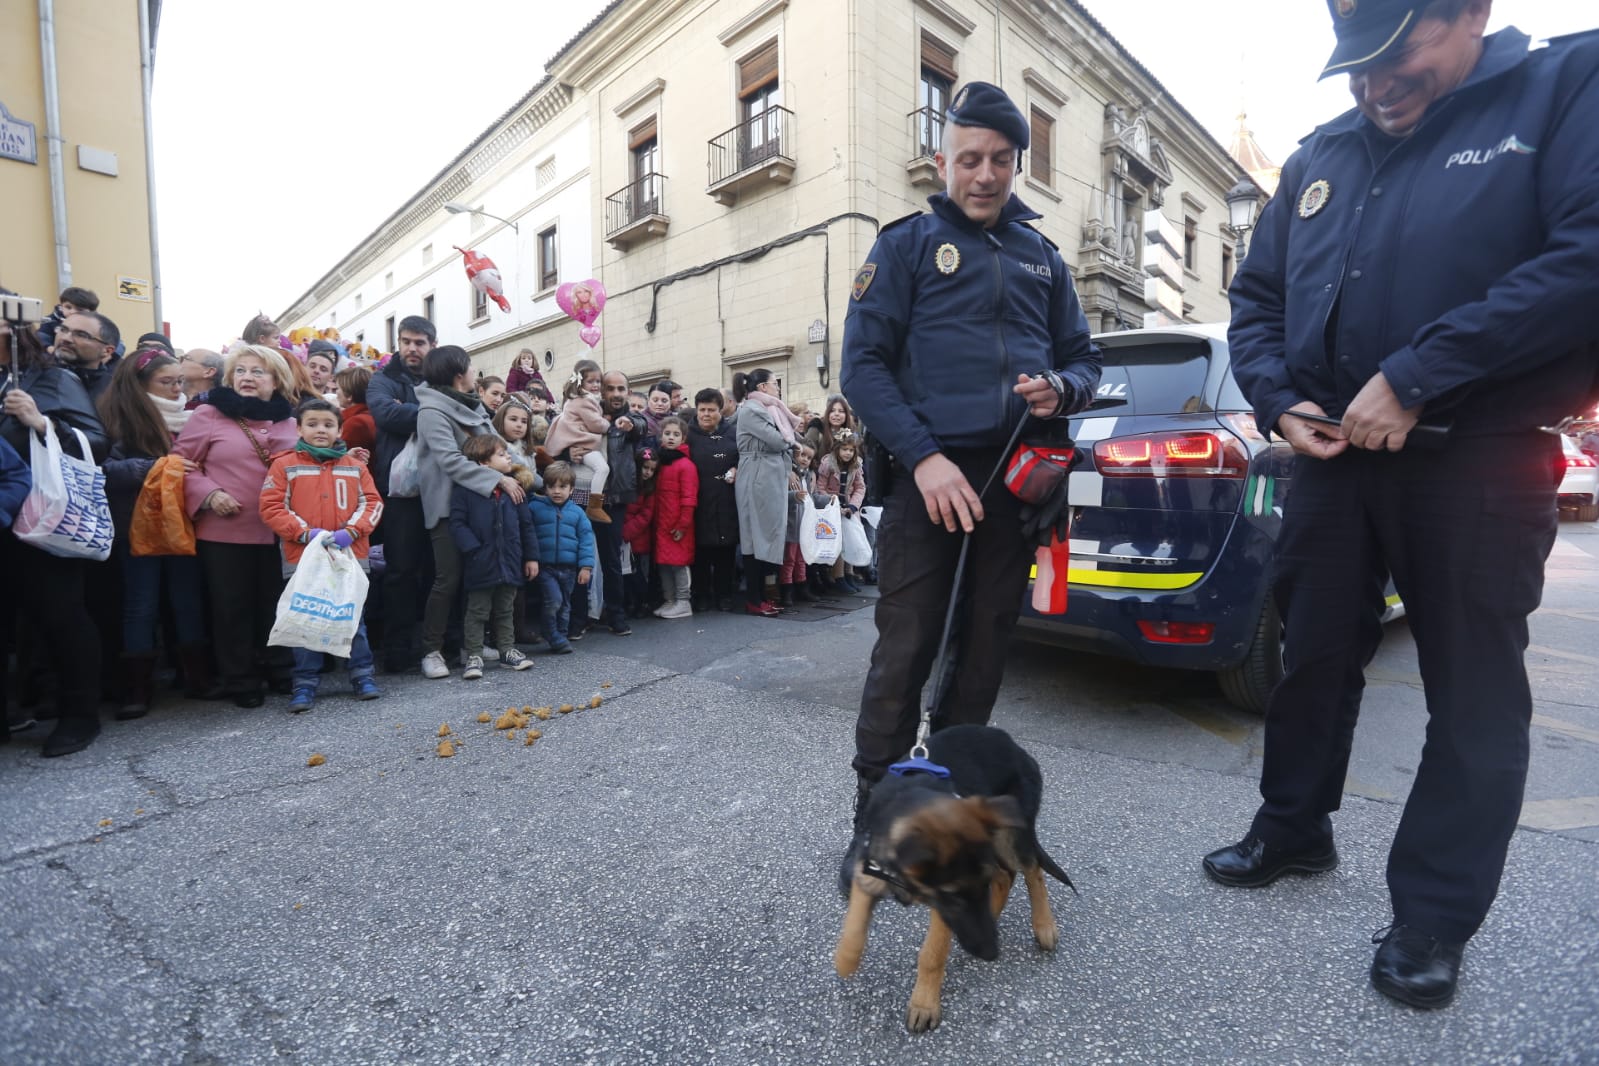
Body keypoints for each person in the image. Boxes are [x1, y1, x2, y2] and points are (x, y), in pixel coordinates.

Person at [1204, 0, 1599, 1011]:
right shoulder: (1320, 153)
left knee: (1472, 695)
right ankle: (1293, 829)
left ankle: (1431, 915)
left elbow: (1584, 258)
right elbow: (1257, 302)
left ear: (1470, 12)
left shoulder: (1561, 88)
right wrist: (1279, 398)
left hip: (1479, 455)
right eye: (1357, 64)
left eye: (1402, 53)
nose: (1377, 84)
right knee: (1312, 654)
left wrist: (1420, 371)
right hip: (1334, 454)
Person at [839, 80, 1101, 829]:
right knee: (906, 647)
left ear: (1016, 164)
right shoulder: (904, 246)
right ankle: (876, 806)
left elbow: (1085, 362)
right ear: (941, 160)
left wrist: (1062, 388)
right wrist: (923, 457)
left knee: (984, 652)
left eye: (999, 160)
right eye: (969, 159)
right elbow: (862, 368)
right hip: (929, 479)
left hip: (1013, 484)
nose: (984, 174)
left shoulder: (1043, 259)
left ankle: (945, 794)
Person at [0, 301, 110, 756]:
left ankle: (80, 715)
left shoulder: (53, 378)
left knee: (61, 616)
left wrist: (41, 423)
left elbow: (97, 444)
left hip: (44, 518)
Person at [174, 344, 300, 707]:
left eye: (258, 372)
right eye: (241, 371)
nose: (247, 377)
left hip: (279, 531)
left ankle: (280, 668)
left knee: (276, 603)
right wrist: (210, 493)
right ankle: (241, 679)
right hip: (224, 529)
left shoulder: (289, 421)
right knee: (232, 608)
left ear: (275, 380)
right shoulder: (208, 415)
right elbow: (180, 464)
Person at [97, 348, 215, 717]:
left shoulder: (193, 415)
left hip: (184, 521)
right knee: (140, 605)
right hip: (138, 524)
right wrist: (158, 467)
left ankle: (196, 679)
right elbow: (102, 472)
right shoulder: (116, 416)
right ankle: (137, 690)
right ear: (139, 383)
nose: (176, 388)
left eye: (180, 380)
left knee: (187, 600)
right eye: (166, 382)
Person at [258, 399, 384, 713]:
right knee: (306, 619)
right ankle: (304, 682)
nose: (320, 430)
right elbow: (271, 507)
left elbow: (373, 504)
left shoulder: (355, 467)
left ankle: (362, 674)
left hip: (349, 554)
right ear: (299, 428)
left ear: (340, 430)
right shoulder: (284, 465)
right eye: (312, 424)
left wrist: (352, 531)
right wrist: (306, 534)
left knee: (353, 617)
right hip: (304, 557)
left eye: (328, 424)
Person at [414, 344, 522, 680]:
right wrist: (499, 479)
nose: (474, 373)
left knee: (478, 580)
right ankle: (431, 649)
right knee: (448, 579)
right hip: (450, 507)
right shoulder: (431, 411)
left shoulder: (473, 409)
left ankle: (468, 646)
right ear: (459, 375)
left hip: (485, 506)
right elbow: (450, 461)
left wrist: (515, 473)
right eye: (471, 368)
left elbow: (498, 449)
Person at [368, 316, 434, 673]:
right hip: (399, 492)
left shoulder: (441, 377)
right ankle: (397, 650)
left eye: (419, 342)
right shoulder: (383, 379)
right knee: (401, 572)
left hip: (439, 486)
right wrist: (435, 411)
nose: (412, 348)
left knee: (438, 570)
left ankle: (436, 644)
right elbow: (385, 413)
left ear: (431, 346)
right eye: (406, 341)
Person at [448, 434, 538, 679]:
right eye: (501, 454)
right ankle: (474, 654)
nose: (509, 456)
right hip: (481, 560)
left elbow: (526, 525)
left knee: (505, 608)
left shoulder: (513, 488)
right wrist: (473, 549)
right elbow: (457, 524)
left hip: (509, 559)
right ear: (483, 464)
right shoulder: (465, 491)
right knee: (477, 610)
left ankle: (507, 650)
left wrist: (530, 557)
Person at [733, 368, 797, 617]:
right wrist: (790, 442)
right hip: (758, 475)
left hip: (769, 474)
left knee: (768, 534)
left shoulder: (770, 408)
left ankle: (763, 595)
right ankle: (754, 598)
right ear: (762, 388)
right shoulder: (751, 410)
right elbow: (779, 440)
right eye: (774, 383)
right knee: (755, 536)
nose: (778, 388)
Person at [527, 461, 594, 654]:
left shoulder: (578, 513)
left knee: (565, 604)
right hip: (546, 567)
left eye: (562, 487)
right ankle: (552, 634)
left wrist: (586, 567)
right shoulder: (536, 508)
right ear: (545, 488)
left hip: (570, 569)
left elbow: (586, 541)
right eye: (552, 486)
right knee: (553, 600)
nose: (557, 491)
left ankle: (561, 635)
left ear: (572, 489)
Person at [686, 387, 739, 612]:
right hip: (700, 497)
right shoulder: (688, 434)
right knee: (701, 551)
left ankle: (725, 594)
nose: (706, 414)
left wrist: (736, 468)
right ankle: (702, 594)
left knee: (726, 550)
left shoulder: (733, 432)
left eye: (711, 410)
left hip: (727, 498)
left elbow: (742, 457)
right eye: (702, 410)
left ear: (721, 410)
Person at [545, 364, 612, 525]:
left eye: (598, 381)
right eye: (591, 381)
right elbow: (595, 424)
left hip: (578, 442)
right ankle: (595, 505)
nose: (596, 385)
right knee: (603, 468)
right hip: (581, 443)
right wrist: (607, 424)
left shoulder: (576, 399)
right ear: (580, 383)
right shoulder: (584, 401)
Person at [651, 416, 698, 619]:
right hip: (662, 523)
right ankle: (669, 600)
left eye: (676, 434)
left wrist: (683, 523)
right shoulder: (660, 461)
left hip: (677, 525)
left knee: (678, 564)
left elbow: (689, 498)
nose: (671, 437)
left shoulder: (686, 466)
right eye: (667, 433)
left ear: (684, 438)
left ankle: (683, 601)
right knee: (664, 563)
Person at [815, 429, 866, 594]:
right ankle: (838, 576)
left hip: (850, 508)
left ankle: (848, 574)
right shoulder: (828, 464)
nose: (848, 453)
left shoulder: (856, 465)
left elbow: (860, 488)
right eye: (844, 449)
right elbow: (820, 488)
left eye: (851, 450)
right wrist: (834, 504)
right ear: (837, 449)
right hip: (833, 507)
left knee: (851, 539)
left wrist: (852, 506)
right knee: (839, 541)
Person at [779, 441, 817, 607]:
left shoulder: (808, 475)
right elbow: (781, 495)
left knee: (802, 559)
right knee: (789, 559)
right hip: (791, 524)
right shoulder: (788, 474)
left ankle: (801, 586)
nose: (805, 459)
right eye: (802, 455)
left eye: (809, 457)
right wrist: (794, 496)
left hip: (804, 525)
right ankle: (786, 590)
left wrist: (828, 499)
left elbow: (810, 497)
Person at [621, 448, 658, 618]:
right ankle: (630, 602)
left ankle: (642, 602)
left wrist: (627, 531)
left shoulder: (649, 489)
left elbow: (645, 516)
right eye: (645, 468)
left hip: (638, 540)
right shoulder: (627, 483)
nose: (648, 472)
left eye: (651, 469)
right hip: (624, 538)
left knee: (638, 575)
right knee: (626, 575)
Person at [54, 310, 122, 402]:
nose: (65, 338)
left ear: (107, 350)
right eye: (63, 330)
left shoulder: (114, 394)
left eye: (81, 335)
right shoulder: (35, 373)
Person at [37, 285, 99, 351]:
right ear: (61, 306)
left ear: (90, 312)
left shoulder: (94, 324)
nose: (72, 312)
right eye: (68, 307)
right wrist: (49, 348)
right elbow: (42, 337)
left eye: (79, 309)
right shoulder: (50, 321)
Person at [335, 365, 376, 451]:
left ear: (349, 395)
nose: (336, 393)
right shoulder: (371, 415)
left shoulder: (355, 423)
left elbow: (339, 455)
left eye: (338, 388)